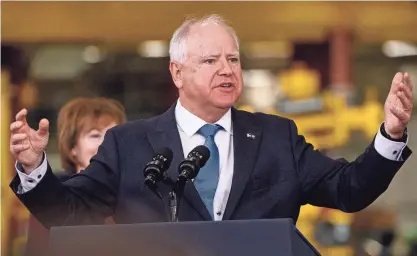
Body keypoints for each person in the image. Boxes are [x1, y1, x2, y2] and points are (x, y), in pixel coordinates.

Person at [9, 15, 413, 230]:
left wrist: (390, 134)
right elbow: (69, 212)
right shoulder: (127, 144)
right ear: (177, 72)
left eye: (233, 59)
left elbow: (349, 190)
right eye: (210, 60)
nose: (227, 70)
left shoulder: (275, 137)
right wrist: (33, 167)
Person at [24, 97, 127, 256]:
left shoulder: (134, 192)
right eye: (95, 135)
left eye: (113, 136)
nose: (107, 145)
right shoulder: (51, 196)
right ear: (72, 147)